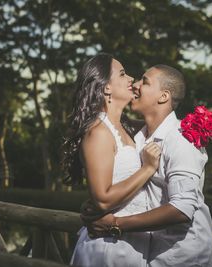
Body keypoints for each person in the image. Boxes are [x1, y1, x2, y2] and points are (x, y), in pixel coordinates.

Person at [85, 65, 212, 267]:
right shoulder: (139, 137)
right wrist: (101, 202)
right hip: (149, 252)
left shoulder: (181, 139)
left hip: (182, 256)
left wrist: (115, 225)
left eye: (144, 82)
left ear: (163, 97)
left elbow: (182, 209)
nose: (135, 85)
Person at [63, 53, 161, 267]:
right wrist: (148, 168)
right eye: (123, 74)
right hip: (108, 248)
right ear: (106, 87)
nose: (131, 79)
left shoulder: (127, 127)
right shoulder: (98, 132)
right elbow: (103, 199)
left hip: (130, 243)